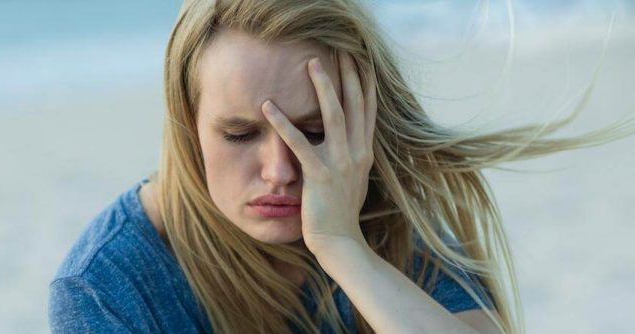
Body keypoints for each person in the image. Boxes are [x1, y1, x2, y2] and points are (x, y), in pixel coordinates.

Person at [49, 0, 633, 333]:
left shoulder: (393, 227)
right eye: (240, 133)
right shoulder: (106, 286)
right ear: (185, 124)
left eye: (314, 132)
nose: (280, 170)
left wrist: (341, 245)